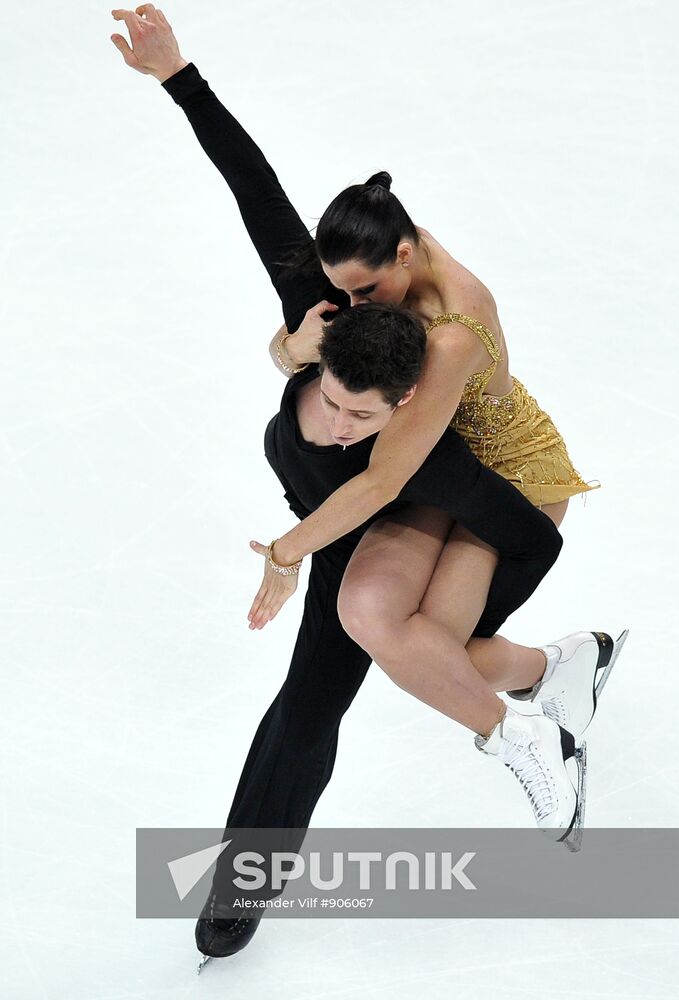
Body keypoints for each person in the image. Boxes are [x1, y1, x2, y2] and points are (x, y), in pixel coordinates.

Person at [109, 6, 627, 969]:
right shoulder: (332, 306)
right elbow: (254, 191)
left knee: (384, 655)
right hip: (366, 504)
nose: (352, 307)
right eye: (328, 388)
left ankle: (535, 706)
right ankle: (556, 670)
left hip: (465, 492)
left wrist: (284, 558)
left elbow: (397, 472)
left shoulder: (440, 361)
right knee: (374, 667)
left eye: (361, 412)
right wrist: (178, 77)